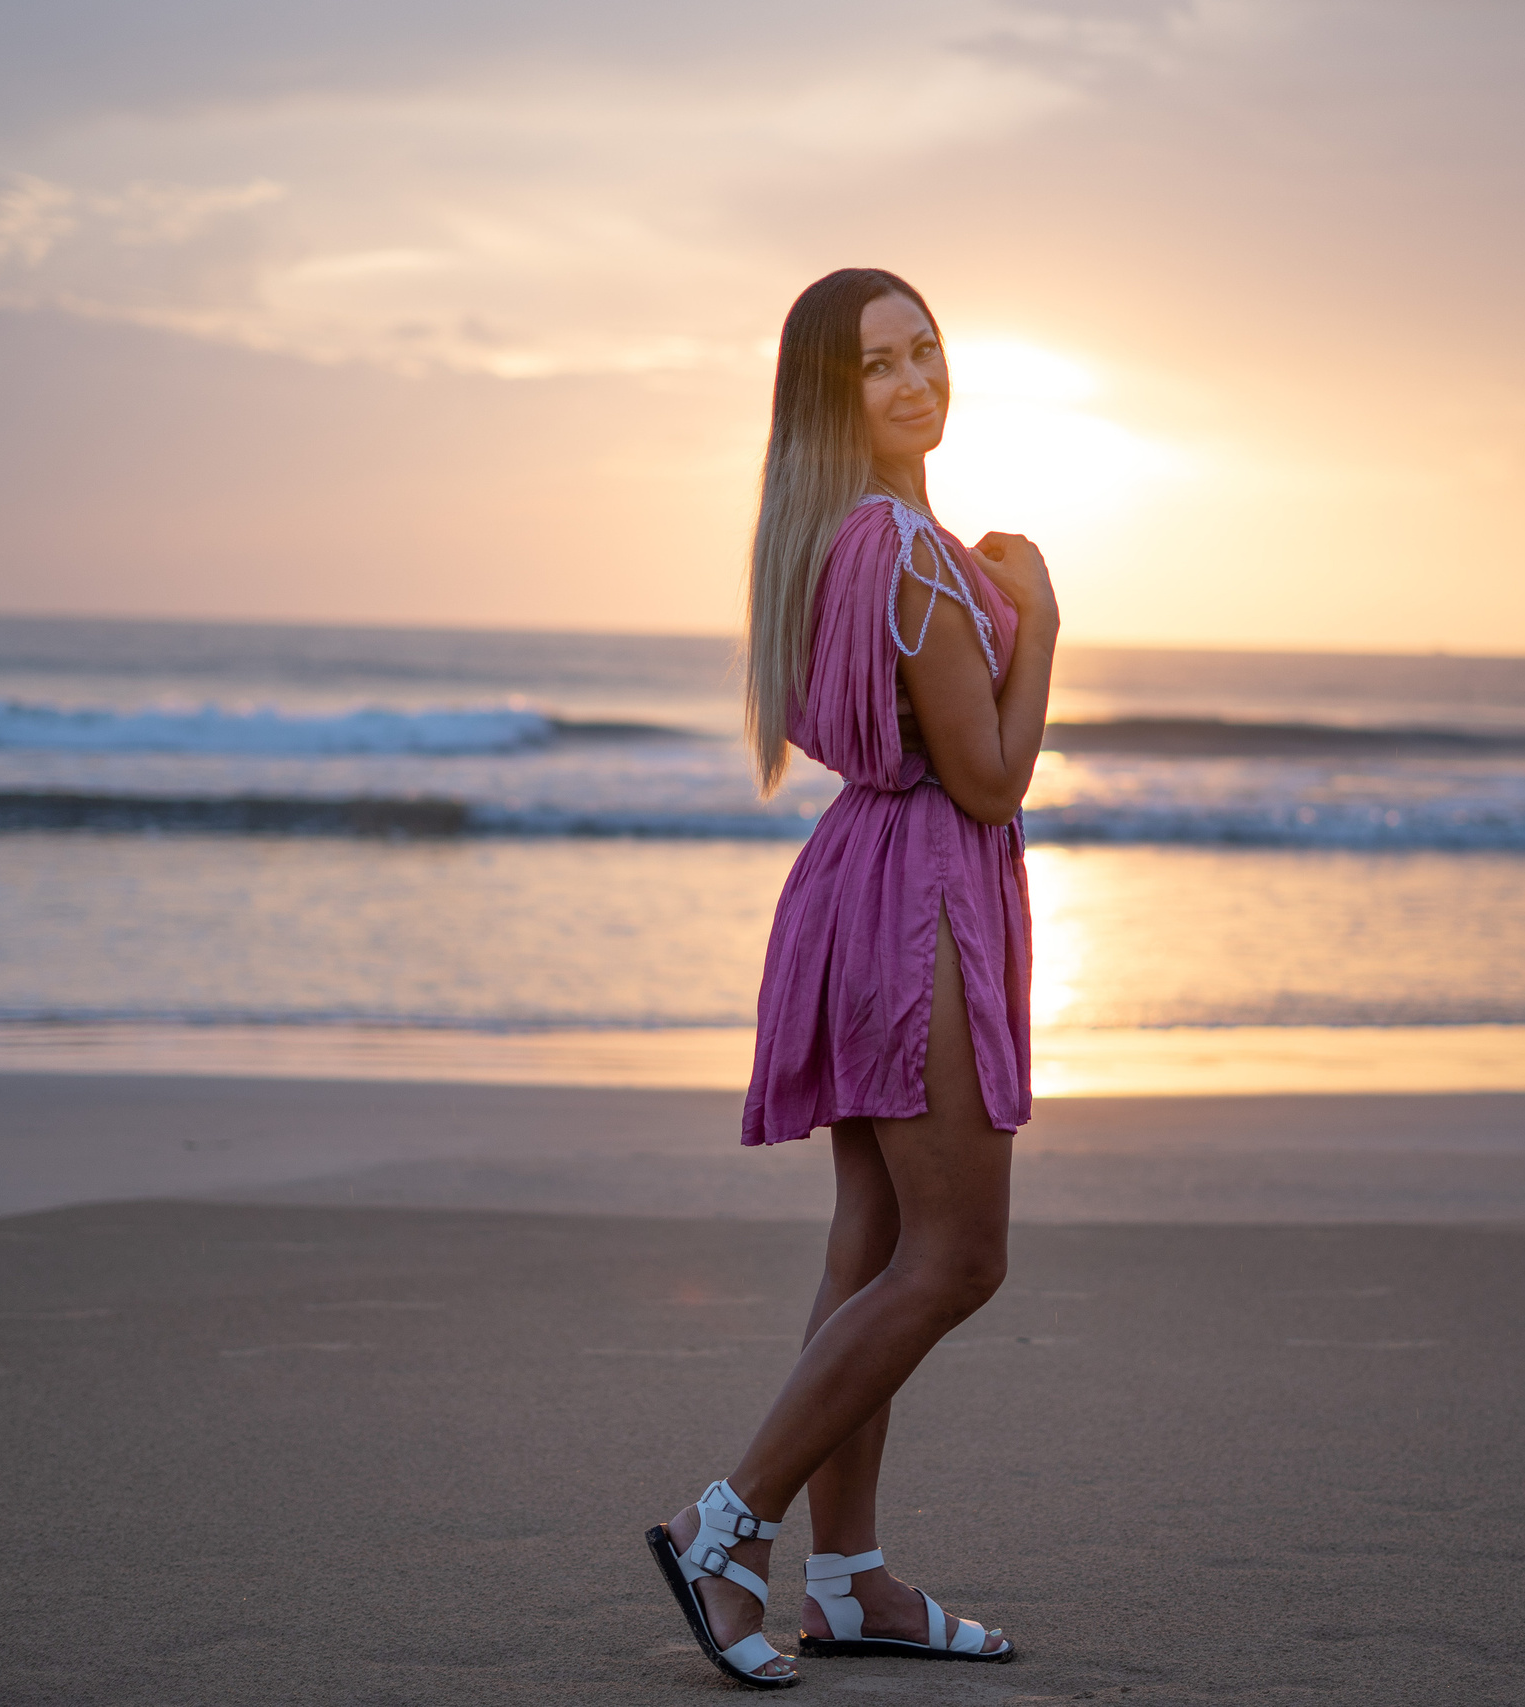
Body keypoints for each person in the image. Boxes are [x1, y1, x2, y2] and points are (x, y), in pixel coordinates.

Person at [644, 268, 1058, 1688]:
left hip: (866, 886)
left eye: (926, 348)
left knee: (876, 1243)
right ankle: (724, 1527)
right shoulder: (903, 552)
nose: (915, 378)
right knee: (959, 1257)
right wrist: (1047, 623)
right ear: (833, 395)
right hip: (924, 898)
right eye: (878, 363)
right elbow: (991, 784)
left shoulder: (848, 538)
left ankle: (846, 1576)